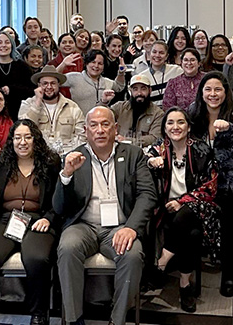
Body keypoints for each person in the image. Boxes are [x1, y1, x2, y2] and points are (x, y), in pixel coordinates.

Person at [53, 106, 156, 325]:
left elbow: (147, 194)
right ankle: (74, 319)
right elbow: (60, 208)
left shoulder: (133, 155)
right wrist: (66, 175)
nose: (99, 130)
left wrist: (131, 228)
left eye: (105, 124)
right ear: (86, 130)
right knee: (68, 247)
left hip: (119, 227)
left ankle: (116, 320)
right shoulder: (73, 158)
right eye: (94, 125)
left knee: (132, 254)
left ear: (115, 128)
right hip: (84, 226)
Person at [0, 120, 61, 325]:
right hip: (5, 220)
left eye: (27, 137)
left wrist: (49, 218)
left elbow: (61, 198)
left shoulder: (50, 162)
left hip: (39, 221)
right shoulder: (1, 162)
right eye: (17, 137)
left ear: (35, 139)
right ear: (11, 141)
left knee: (37, 259)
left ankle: (39, 314)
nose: (22, 142)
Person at [186, 71, 233, 297]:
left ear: (226, 92)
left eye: (218, 89)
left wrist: (229, 127)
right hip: (210, 181)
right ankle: (227, 275)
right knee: (227, 230)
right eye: (208, 89)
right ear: (201, 92)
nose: (213, 94)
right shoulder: (193, 112)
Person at [145, 107, 220, 312]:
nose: (175, 127)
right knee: (192, 235)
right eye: (170, 122)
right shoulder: (158, 149)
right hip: (164, 210)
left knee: (184, 218)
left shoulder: (201, 149)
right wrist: (151, 162)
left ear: (188, 127)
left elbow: (211, 186)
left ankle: (162, 262)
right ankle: (185, 285)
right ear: (164, 127)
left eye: (180, 122)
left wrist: (183, 201)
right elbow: (142, 165)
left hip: (197, 209)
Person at [18, 66, 86, 144]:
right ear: (39, 85)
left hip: (66, 154)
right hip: (37, 154)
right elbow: (23, 129)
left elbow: (82, 136)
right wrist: (37, 102)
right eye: (45, 83)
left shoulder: (73, 107)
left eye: (53, 83)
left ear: (59, 85)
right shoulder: (27, 104)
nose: (49, 87)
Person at [65, 49, 124, 115]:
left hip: (100, 121)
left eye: (100, 63)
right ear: (87, 63)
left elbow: (119, 86)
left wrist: (121, 72)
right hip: (78, 122)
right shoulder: (74, 77)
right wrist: (63, 64)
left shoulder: (107, 82)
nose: (96, 66)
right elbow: (54, 79)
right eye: (93, 62)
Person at [113, 75, 164, 147]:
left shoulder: (158, 114)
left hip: (144, 152)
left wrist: (128, 141)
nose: (139, 93)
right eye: (135, 89)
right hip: (120, 150)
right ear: (130, 91)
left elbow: (155, 138)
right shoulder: (120, 107)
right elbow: (101, 117)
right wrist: (104, 102)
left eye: (143, 89)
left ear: (150, 90)